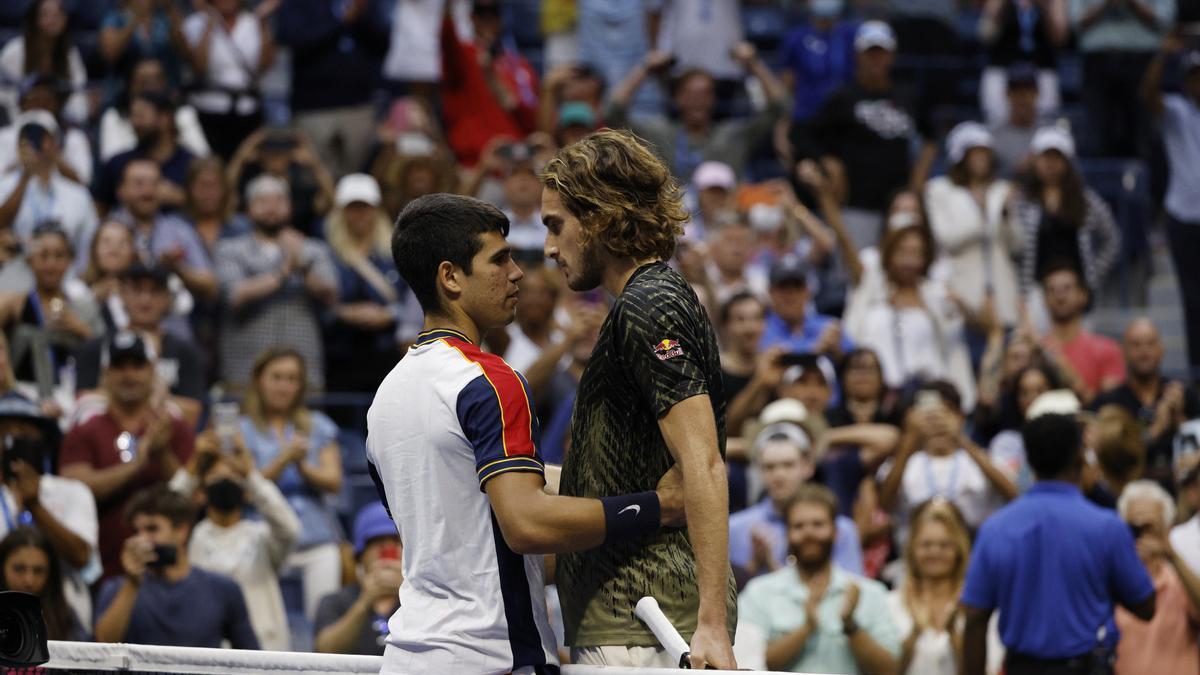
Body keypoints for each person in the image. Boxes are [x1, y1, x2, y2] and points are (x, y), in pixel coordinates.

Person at [368, 192, 687, 673]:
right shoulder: (492, 380)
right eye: (499, 259)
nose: (517, 273)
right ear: (450, 277)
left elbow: (467, 536)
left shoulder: (384, 400)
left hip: (409, 654)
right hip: (492, 656)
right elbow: (526, 526)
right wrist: (659, 508)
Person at [541, 130, 740, 668]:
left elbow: (702, 463)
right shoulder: (646, 300)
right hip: (634, 620)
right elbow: (636, 474)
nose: (549, 248)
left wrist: (713, 626)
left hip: (649, 623)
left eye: (556, 226)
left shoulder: (648, 301)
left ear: (601, 216)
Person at [961, 411, 1157, 675]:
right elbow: (1145, 606)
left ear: (1029, 461)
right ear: (1080, 457)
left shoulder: (996, 528)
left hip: (1024, 667)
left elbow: (974, 618)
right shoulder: (1106, 526)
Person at [59, 331, 195, 581]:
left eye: (137, 365)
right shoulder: (86, 430)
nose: (129, 375)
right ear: (105, 373)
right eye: (120, 366)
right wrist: (137, 463)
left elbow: (195, 494)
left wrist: (162, 453)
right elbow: (73, 487)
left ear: (152, 371)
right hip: (103, 571)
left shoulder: (173, 426)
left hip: (169, 572)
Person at [794, 20, 937, 250]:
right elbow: (801, 135)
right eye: (870, 53)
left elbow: (931, 136)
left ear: (891, 55)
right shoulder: (843, 98)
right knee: (856, 273)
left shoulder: (908, 96)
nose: (876, 60)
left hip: (898, 205)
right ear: (857, 56)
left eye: (881, 53)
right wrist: (828, 161)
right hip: (857, 205)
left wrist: (919, 175)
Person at [738, 484, 900, 673]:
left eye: (818, 524)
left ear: (836, 532)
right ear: (787, 534)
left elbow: (890, 669)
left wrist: (851, 625)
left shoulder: (869, 593)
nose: (809, 533)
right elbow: (749, 664)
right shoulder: (759, 593)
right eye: (799, 526)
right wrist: (806, 628)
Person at [168, 427, 300, 651]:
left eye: (233, 476)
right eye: (217, 475)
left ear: (246, 490)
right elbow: (164, 514)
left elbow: (290, 528)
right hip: (205, 651)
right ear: (201, 490)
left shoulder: (262, 538)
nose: (225, 479)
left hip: (262, 652)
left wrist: (250, 474)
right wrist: (192, 468)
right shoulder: (188, 538)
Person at [238, 347, 342, 623]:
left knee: (323, 618)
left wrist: (303, 466)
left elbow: (334, 481)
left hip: (316, 537)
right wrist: (284, 458)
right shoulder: (241, 429)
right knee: (261, 622)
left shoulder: (318, 425)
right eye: (277, 377)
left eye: (292, 379)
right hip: (264, 535)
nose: (284, 386)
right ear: (260, 380)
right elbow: (246, 491)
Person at [841, 214, 978, 410]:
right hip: (879, 400)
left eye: (916, 253)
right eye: (902, 252)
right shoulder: (870, 290)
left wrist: (963, 307)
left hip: (927, 396)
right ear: (889, 253)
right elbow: (846, 248)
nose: (909, 261)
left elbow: (976, 325)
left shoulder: (936, 294)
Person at [94, 486, 259, 649]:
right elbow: (103, 647)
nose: (142, 539)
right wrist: (131, 584)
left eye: (152, 529)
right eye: (137, 531)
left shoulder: (222, 589)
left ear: (182, 531)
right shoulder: (116, 589)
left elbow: (251, 658)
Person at [214, 175, 338, 391]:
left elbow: (331, 296)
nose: (272, 208)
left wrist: (302, 263)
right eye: (263, 201)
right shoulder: (230, 249)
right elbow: (234, 295)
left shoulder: (312, 249)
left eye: (279, 201)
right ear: (248, 208)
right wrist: (284, 272)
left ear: (290, 206)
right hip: (245, 369)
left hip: (303, 370)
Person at [606, 42, 788, 180]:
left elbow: (782, 106)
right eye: (690, 94)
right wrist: (646, 67)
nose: (698, 101)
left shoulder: (732, 136)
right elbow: (613, 112)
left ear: (714, 99)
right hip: (670, 222)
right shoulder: (658, 134)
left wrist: (753, 64)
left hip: (724, 223)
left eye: (705, 94)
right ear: (677, 99)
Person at [0, 392, 97, 630]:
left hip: (62, 621)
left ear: (43, 441)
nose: (13, 439)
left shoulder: (73, 491)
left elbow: (81, 557)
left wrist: (35, 506)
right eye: (4, 432)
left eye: (25, 433)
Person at [878, 381, 1017, 547]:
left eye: (946, 410)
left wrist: (961, 439)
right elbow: (885, 503)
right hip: (915, 558)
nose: (937, 419)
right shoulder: (905, 463)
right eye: (930, 413)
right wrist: (910, 439)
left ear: (961, 416)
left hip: (972, 553)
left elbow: (1013, 495)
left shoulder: (980, 460)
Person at [72, 262, 206, 428]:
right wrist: (150, 397)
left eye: (154, 291)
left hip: (163, 443)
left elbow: (192, 413)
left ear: (167, 298)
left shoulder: (185, 352)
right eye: (137, 290)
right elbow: (82, 405)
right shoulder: (95, 348)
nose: (145, 299)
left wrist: (123, 397)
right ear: (122, 294)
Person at [730, 421, 865, 586]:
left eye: (788, 465)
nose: (779, 475)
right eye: (769, 467)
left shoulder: (841, 529)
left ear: (808, 466)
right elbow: (729, 598)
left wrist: (772, 565)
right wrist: (755, 564)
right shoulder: (734, 528)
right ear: (758, 470)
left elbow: (853, 591)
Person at [924, 122, 1021, 334]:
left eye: (985, 154)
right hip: (960, 288)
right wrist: (984, 216)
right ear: (961, 157)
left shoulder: (1001, 190)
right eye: (974, 153)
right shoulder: (939, 190)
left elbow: (1017, 246)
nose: (981, 160)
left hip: (1001, 292)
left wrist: (1005, 216)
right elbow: (945, 237)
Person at [325, 173, 418, 395]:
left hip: (386, 351)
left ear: (376, 210)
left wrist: (390, 314)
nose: (359, 215)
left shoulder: (396, 254)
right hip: (339, 352)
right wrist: (341, 312)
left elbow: (413, 300)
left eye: (364, 207)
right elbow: (319, 302)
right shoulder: (329, 254)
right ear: (341, 212)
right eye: (352, 208)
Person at [276, 0, 389, 177]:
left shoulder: (364, 3)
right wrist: (341, 21)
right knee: (314, 181)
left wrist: (361, 17)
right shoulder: (298, 4)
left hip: (359, 105)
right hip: (313, 108)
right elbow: (292, 38)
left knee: (358, 180)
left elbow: (383, 43)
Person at [1143, 39, 1200, 371]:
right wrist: (1162, 54)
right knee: (1192, 298)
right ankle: (1196, 371)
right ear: (1185, 81)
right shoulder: (1176, 111)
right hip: (1182, 215)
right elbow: (1148, 95)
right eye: (1194, 76)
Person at [1013, 126, 1121, 301]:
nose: (1050, 163)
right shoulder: (1022, 201)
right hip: (1036, 294)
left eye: (1056, 157)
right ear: (1036, 160)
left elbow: (1112, 239)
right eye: (1045, 156)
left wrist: (1092, 275)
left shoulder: (1086, 200)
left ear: (1067, 162)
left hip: (1077, 293)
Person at [0, 225, 103, 402]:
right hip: (22, 393)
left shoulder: (81, 305)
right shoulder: (15, 303)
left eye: (59, 256)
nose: (51, 264)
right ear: (30, 259)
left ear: (70, 260)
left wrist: (78, 328)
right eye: (43, 255)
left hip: (69, 394)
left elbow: (103, 353)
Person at [1093, 318, 1200, 487]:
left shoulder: (1184, 395)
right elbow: (1110, 459)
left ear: (1161, 349)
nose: (1144, 352)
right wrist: (1157, 429)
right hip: (1127, 489)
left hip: (1180, 490)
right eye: (1136, 345)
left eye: (1151, 344)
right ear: (1124, 351)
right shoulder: (1109, 402)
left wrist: (1179, 419)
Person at [438, 0, 539, 167]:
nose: (487, 20)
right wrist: (449, 7)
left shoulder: (518, 65)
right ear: (471, 18)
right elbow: (447, 40)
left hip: (514, 161)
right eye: (481, 15)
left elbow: (530, 120)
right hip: (473, 161)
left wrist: (493, 77)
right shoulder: (464, 55)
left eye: (493, 15)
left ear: (500, 20)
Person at [1115, 480, 1200, 675]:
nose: (1143, 537)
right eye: (1135, 529)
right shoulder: (1112, 580)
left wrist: (1172, 556)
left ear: (1167, 529)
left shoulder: (1180, 579)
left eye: (1151, 528)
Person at [1070, 0, 1174, 157]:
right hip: (1097, 61)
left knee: (1144, 137)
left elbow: (1165, 21)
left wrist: (1132, 3)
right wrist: (1106, 4)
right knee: (1097, 136)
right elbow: (1075, 22)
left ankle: (1143, 178)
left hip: (1142, 61)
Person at [107, 158, 216, 306]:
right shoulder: (106, 230)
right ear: (121, 190)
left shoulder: (180, 229)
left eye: (154, 183)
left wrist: (177, 268)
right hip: (119, 322)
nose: (147, 191)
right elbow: (85, 276)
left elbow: (210, 286)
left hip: (172, 325)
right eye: (139, 183)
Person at [183, 0, 278, 161]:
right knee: (211, 161)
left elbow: (265, 66)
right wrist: (211, 23)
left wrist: (262, 25)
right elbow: (198, 67)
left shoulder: (253, 22)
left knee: (246, 161)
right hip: (208, 107)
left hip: (246, 107)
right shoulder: (195, 22)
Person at [887, 499, 972, 675]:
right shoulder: (889, 603)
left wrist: (956, 638)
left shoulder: (976, 607)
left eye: (945, 545)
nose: (935, 552)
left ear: (959, 549)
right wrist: (914, 634)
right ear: (912, 549)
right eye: (926, 545)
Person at [0, 117, 99, 261]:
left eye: (43, 139)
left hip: (66, 277)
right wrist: (26, 176)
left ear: (55, 143)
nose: (38, 146)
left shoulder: (77, 193)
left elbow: (89, 241)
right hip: (14, 276)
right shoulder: (3, 186)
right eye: (28, 139)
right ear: (18, 145)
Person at [313, 502, 402, 656]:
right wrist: (365, 601)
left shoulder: (420, 599)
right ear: (360, 555)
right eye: (377, 541)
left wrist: (407, 593)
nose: (387, 550)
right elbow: (324, 652)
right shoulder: (336, 601)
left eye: (395, 541)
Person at [94, 92, 196, 213]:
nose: (134, 122)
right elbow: (100, 209)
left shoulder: (192, 164)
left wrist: (181, 198)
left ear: (164, 119)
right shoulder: (117, 163)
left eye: (140, 115)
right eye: (132, 116)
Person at [98, 57, 211, 163]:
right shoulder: (114, 116)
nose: (150, 88)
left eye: (155, 81)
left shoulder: (184, 113)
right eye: (143, 83)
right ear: (130, 86)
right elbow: (111, 161)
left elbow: (202, 157)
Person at [1039, 262, 1125, 401]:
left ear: (1083, 295)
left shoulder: (1108, 349)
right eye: (1052, 289)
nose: (1059, 295)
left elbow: (1110, 409)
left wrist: (1046, 351)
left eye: (1067, 288)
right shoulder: (1033, 350)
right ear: (1044, 299)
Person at [978, 0, 1068, 124]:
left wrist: (1044, 6)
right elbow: (986, 35)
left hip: (1042, 68)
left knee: (1046, 124)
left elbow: (1059, 38)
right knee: (997, 121)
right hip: (1002, 67)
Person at [0, 0, 89, 125]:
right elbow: (4, 98)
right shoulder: (14, 52)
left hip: (58, 124)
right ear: (34, 19)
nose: (53, 20)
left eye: (58, 14)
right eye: (46, 14)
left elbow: (79, 96)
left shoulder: (70, 54)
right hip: (16, 123)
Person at [0, 76, 93, 185]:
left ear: (57, 103)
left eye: (47, 98)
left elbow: (84, 182)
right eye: (34, 97)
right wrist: (22, 163)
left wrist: (54, 156)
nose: (41, 102)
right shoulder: (5, 135)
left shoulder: (72, 136)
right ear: (23, 102)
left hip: (60, 197)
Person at [0, 527, 88, 641]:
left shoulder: (64, 618)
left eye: (38, 571)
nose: (29, 580)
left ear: (51, 573)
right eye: (19, 569)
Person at [779, 0, 859, 124]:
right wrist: (783, 123)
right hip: (806, 116)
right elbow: (787, 86)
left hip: (845, 117)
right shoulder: (795, 38)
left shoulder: (852, 35)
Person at [760, 254, 853, 359]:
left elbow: (856, 359)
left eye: (797, 286)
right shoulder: (760, 328)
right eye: (783, 287)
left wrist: (838, 352)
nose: (790, 294)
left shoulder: (827, 326)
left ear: (808, 291)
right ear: (770, 292)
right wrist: (814, 349)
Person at [987, 365, 1059, 493]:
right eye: (1024, 392)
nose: (1031, 398)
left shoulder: (1070, 439)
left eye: (1040, 391)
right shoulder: (1006, 442)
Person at [98, 0, 191, 93]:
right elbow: (109, 54)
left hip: (166, 89)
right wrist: (134, 21)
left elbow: (186, 54)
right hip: (124, 90)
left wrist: (170, 10)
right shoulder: (115, 18)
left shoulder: (165, 17)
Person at [989, 64, 1044, 177]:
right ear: (1007, 94)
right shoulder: (992, 135)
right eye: (1016, 91)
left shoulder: (1050, 133)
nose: (1022, 96)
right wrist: (1014, 170)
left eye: (1027, 90)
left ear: (1037, 93)